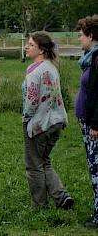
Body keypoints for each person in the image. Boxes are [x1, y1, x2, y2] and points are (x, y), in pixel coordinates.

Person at [22, 31, 73, 210]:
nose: (26, 47)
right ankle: (62, 197)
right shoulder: (52, 67)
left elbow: (31, 101)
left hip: (39, 124)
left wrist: (26, 118)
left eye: (31, 45)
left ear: (41, 49)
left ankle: (39, 205)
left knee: (34, 166)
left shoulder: (34, 71)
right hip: (57, 121)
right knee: (44, 161)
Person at [75, 15, 98, 229]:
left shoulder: (97, 59)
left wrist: (95, 124)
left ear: (91, 36)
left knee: (97, 168)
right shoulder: (90, 57)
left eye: (81, 35)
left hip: (94, 126)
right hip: (87, 123)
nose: (79, 39)